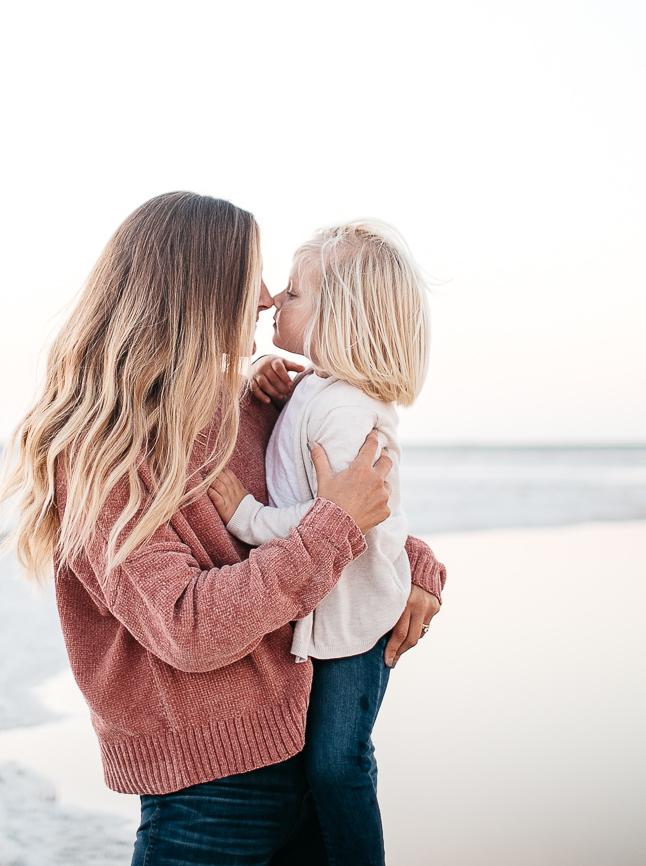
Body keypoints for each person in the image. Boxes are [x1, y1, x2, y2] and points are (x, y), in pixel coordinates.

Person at [0, 192, 444, 866]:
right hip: (209, 790)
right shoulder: (101, 453)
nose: (267, 299)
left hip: (310, 754)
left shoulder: (255, 406)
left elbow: (331, 509)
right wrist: (336, 528)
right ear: (199, 292)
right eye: (253, 277)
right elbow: (188, 627)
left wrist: (419, 569)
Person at [207, 221, 430, 866]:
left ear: (341, 318)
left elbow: (345, 520)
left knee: (338, 764)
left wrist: (247, 518)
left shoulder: (345, 411)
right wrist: (260, 380)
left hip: (357, 622)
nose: (276, 300)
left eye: (295, 293)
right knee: (316, 769)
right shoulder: (316, 391)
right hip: (324, 612)